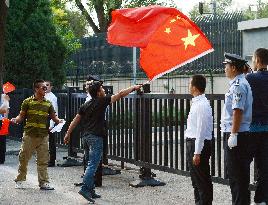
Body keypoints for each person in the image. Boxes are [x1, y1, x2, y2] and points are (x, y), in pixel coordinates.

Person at [64, 81, 142, 203]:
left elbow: (76, 120)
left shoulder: (86, 104)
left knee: (89, 162)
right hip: (95, 137)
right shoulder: (102, 101)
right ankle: (85, 189)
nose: (104, 90)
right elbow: (121, 94)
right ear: (99, 92)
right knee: (93, 164)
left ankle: (91, 189)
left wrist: (68, 133)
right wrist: (134, 87)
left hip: (85, 137)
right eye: (102, 88)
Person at [12, 79, 62, 190]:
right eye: (43, 88)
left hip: (43, 136)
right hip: (29, 135)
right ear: (36, 89)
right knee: (24, 158)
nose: (46, 89)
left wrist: (60, 121)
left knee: (43, 160)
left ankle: (43, 182)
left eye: (46, 87)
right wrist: (16, 119)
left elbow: (54, 118)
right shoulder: (27, 102)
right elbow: (21, 116)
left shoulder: (48, 103)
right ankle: (20, 179)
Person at [220, 53, 253, 205]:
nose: (225, 69)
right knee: (238, 178)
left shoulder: (239, 85)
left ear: (233, 67)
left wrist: (233, 134)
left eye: (226, 66)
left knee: (237, 178)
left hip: (237, 134)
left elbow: (237, 111)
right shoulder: (239, 82)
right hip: (240, 133)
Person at [185, 75, 213, 205]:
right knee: (196, 180)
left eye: (190, 84)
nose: (188, 86)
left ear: (195, 87)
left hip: (198, 144)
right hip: (194, 143)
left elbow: (201, 131)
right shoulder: (198, 102)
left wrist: (197, 152)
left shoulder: (201, 105)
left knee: (202, 181)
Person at [245, 48, 268, 205]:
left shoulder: (250, 78)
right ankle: (262, 199)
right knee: (264, 167)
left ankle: (244, 198)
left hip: (252, 129)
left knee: (244, 165)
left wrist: (248, 74)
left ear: (257, 60)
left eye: (253, 59)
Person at [44, 81, 58, 167]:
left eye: (47, 85)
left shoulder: (53, 97)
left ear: (51, 87)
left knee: (51, 142)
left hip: (49, 120)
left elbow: (54, 111)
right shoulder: (43, 95)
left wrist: (52, 124)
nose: (45, 87)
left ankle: (51, 160)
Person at [0, 94, 10, 164]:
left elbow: (6, 109)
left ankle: (1, 159)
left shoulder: (4, 96)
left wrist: (5, 119)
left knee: (2, 140)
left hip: (1, 120)